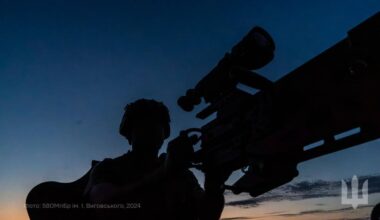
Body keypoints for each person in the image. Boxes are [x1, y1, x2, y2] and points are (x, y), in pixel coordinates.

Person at [83, 98, 228, 220]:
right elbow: (104, 205)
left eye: (156, 123)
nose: (150, 128)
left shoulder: (183, 175)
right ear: (129, 135)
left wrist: (214, 186)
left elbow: (207, 215)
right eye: (142, 124)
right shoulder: (107, 168)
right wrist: (165, 171)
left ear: (165, 133)